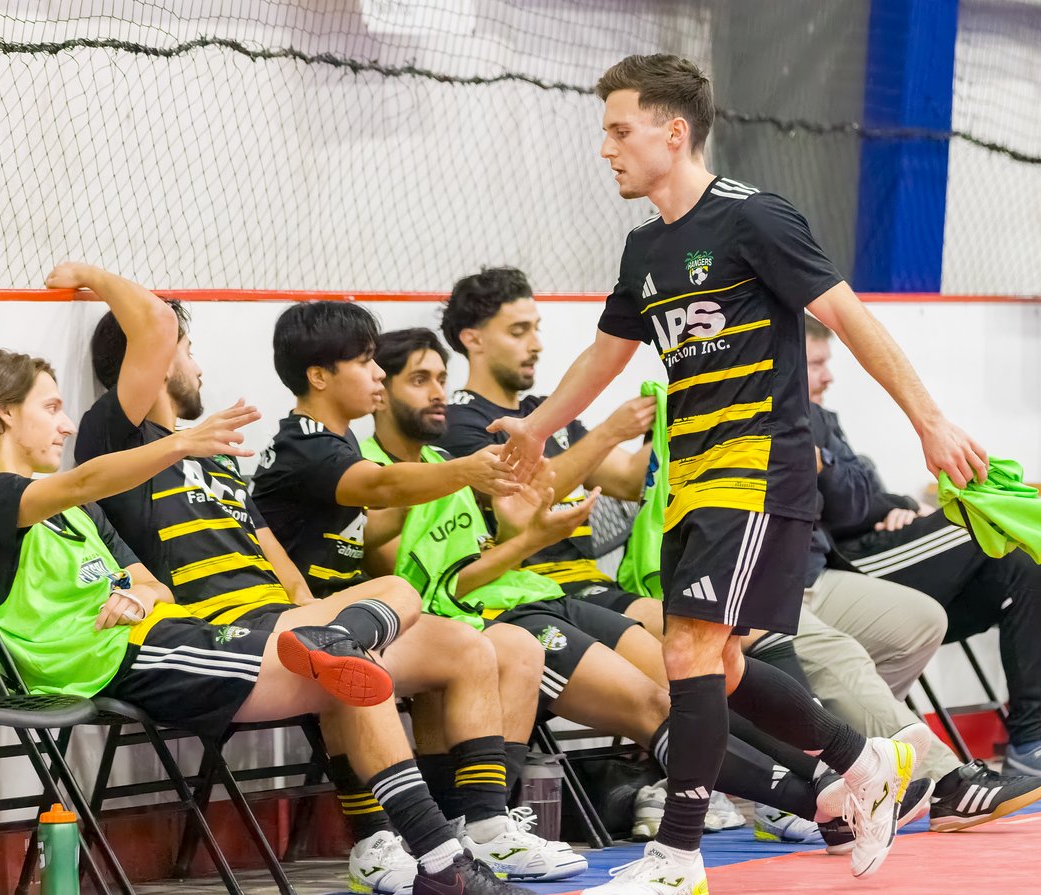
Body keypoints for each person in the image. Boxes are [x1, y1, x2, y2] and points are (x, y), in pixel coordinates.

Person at [493, 54, 990, 891]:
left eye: (620, 129)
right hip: (687, 482)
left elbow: (849, 316)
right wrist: (538, 429)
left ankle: (675, 856)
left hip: (757, 470)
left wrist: (929, 419)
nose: (605, 147)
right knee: (715, 667)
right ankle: (862, 757)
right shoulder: (645, 246)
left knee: (685, 651)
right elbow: (604, 352)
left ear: (672, 131)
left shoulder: (754, 217)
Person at [66, 264, 563, 893]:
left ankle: (483, 831)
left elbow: (279, 562)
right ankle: (399, 848)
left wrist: (311, 608)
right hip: (223, 634)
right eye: (187, 350)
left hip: (288, 622)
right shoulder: (117, 443)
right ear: (158, 360)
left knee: (463, 645)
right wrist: (87, 275)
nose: (197, 362)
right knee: (385, 614)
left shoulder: (213, 452)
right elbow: (156, 324)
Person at [363, 327, 938, 862]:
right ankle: (824, 795)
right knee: (661, 696)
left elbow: (548, 502)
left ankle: (840, 776)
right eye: (420, 380)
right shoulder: (398, 471)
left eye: (439, 378)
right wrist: (542, 524)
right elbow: (452, 573)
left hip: (543, 593)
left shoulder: (446, 460)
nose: (438, 393)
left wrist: (662, 418)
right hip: (503, 611)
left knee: (704, 666)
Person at [248, 301, 585, 887]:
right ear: (319, 376)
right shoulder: (303, 443)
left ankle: (479, 828)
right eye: (365, 362)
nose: (377, 374)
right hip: (292, 630)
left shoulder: (339, 441)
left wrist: (515, 520)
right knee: (349, 660)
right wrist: (465, 473)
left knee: (460, 644)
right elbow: (378, 488)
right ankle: (373, 843)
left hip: (355, 616)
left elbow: (380, 514)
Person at [806, 316, 1041, 793]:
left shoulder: (821, 419)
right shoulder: (782, 414)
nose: (828, 376)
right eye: (817, 364)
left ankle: (1030, 743)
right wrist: (882, 504)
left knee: (1028, 559)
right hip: (852, 563)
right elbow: (844, 506)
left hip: (881, 552)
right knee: (1001, 522)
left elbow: (860, 492)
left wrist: (893, 505)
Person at [438, 266, 662, 635]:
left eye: (536, 328)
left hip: (592, 583)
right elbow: (524, 496)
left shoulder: (545, 411)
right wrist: (608, 432)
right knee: (686, 639)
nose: (536, 344)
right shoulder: (458, 421)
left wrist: (676, 408)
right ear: (473, 339)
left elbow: (627, 480)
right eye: (518, 331)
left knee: (731, 635)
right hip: (531, 589)